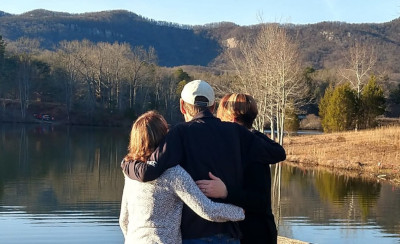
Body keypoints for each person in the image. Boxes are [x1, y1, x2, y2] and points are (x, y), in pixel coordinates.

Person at [121, 80, 286, 244]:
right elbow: (277, 153)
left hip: (194, 234)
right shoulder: (235, 131)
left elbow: (149, 171)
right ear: (213, 107)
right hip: (230, 234)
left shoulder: (179, 133)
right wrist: (249, 132)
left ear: (182, 106)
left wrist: (127, 164)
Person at [119, 110, 245, 244]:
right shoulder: (173, 173)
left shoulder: (131, 172)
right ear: (165, 137)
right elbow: (207, 209)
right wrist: (240, 212)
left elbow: (124, 220)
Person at [197, 93, 280, 244]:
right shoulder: (257, 144)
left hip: (254, 234)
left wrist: (226, 192)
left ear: (232, 120)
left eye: (222, 118)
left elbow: (259, 201)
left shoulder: (252, 151)